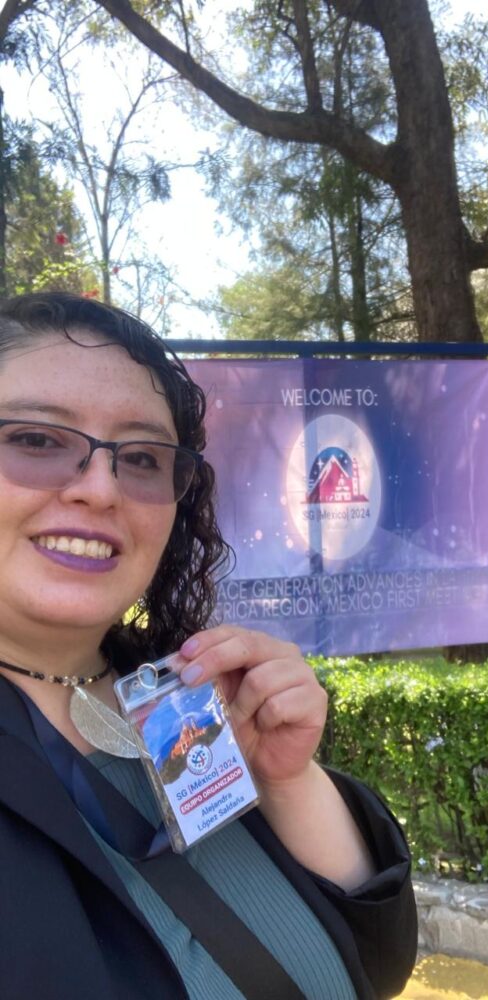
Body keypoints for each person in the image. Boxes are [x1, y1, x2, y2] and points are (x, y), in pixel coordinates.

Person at [0, 291, 417, 1000]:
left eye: (141, 457)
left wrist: (287, 781)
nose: (101, 489)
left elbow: (376, 965)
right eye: (37, 440)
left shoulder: (191, 701)